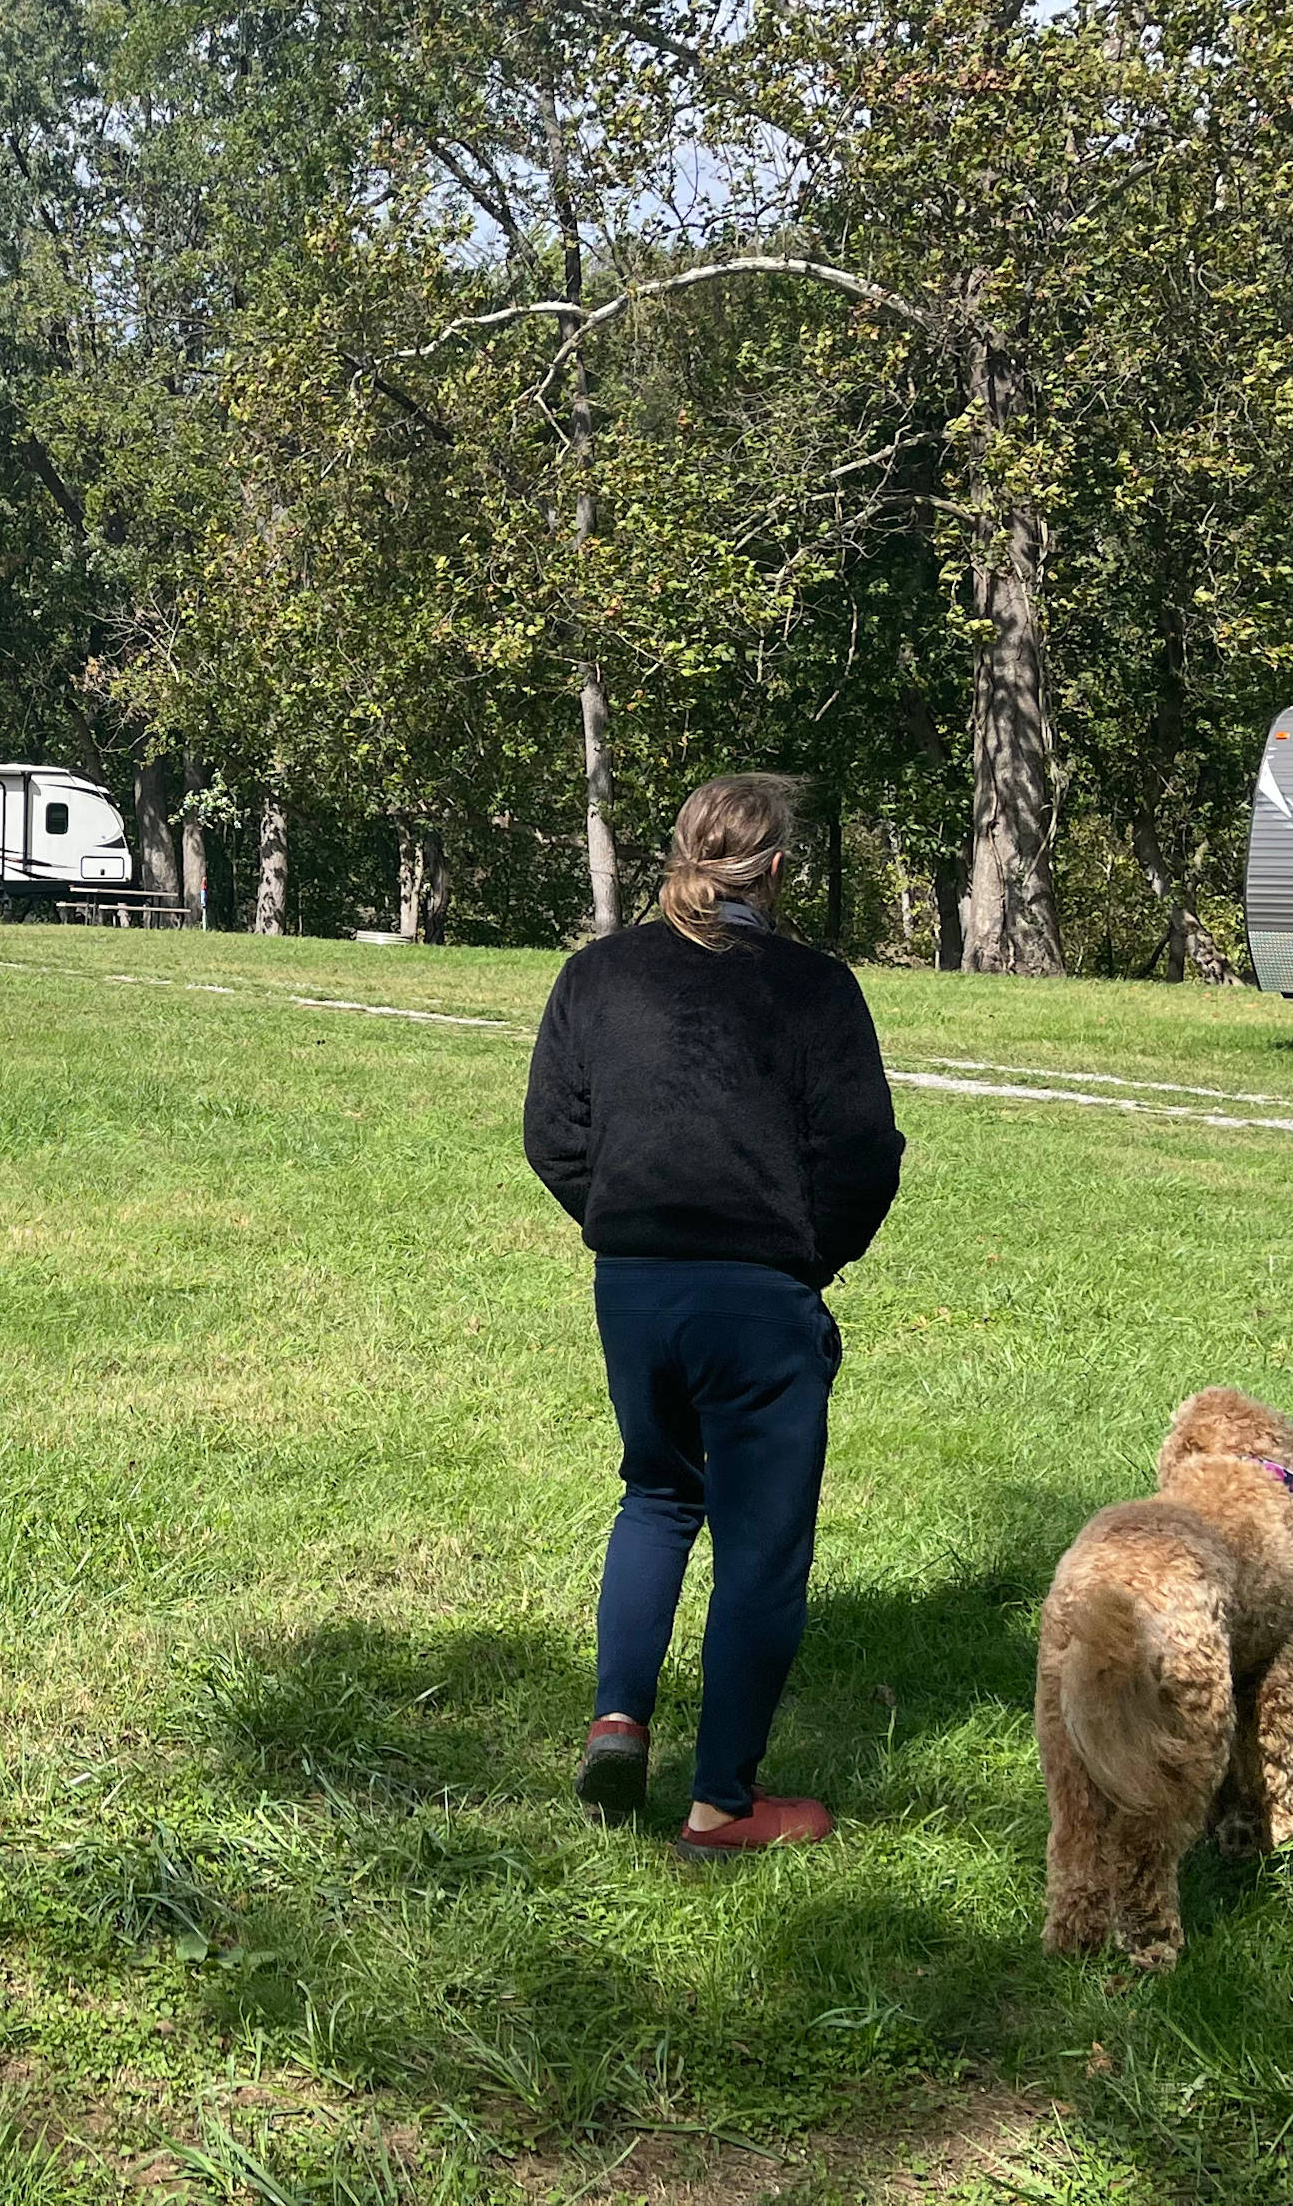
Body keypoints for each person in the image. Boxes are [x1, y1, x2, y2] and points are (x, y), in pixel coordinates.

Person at [522, 772, 905, 1854]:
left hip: (634, 1287)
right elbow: (863, 1153)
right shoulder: (816, 986)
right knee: (761, 1549)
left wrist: (624, 1220)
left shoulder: (597, 976)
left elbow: (555, 1135)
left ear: (681, 852)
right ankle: (724, 1805)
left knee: (654, 1497)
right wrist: (809, 1260)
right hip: (760, 1296)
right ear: (778, 869)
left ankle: (617, 1723)